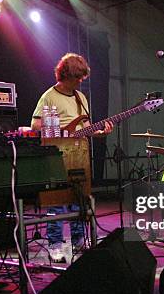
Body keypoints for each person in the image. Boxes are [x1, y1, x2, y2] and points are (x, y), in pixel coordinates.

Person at [31, 53, 113, 262]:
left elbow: (85, 128)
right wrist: (62, 130)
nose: (80, 81)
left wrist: (100, 132)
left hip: (79, 155)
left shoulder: (80, 98)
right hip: (56, 155)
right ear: (66, 75)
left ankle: (78, 240)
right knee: (57, 201)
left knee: (79, 199)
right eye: (78, 77)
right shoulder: (49, 96)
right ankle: (55, 245)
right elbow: (35, 125)